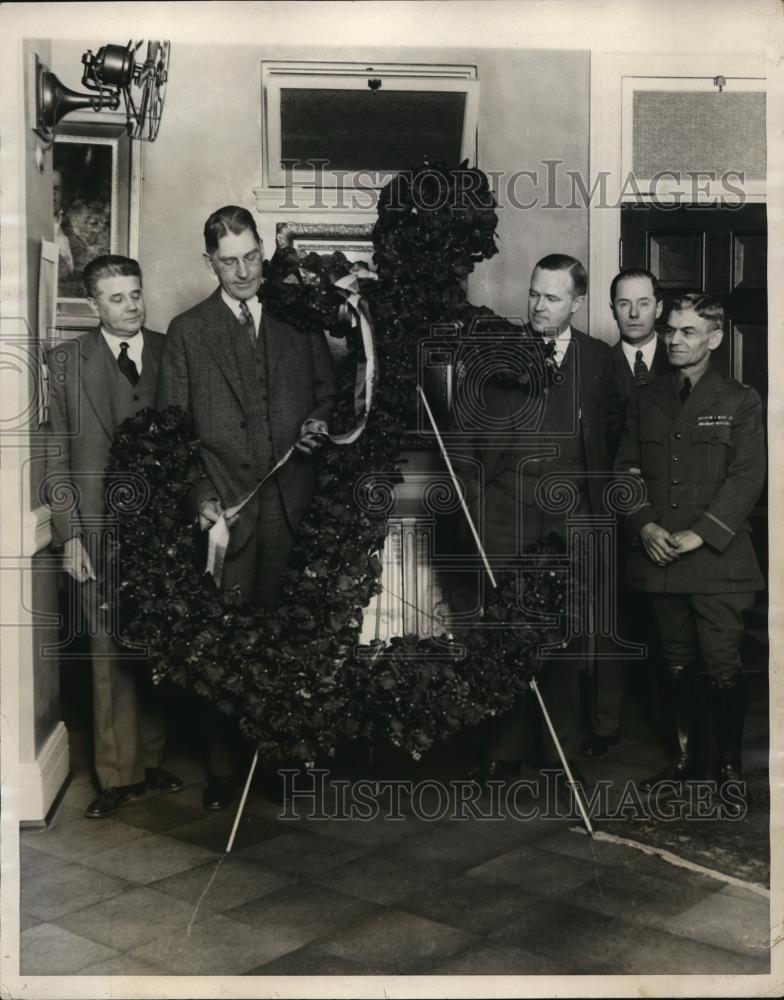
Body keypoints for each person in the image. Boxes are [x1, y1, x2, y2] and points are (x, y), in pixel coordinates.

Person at [156, 205, 337, 811]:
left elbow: (328, 395)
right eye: (228, 261)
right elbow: (171, 434)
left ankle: (291, 762)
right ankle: (225, 770)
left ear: (264, 249)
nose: (242, 271)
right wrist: (201, 501)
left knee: (293, 641)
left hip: (294, 506)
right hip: (227, 515)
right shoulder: (188, 331)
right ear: (209, 262)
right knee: (227, 646)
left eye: (251, 257)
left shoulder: (298, 320)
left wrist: (319, 423)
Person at [459, 254, 623, 779]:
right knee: (505, 627)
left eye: (552, 298)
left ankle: (558, 753)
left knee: (565, 635)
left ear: (578, 302)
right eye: (534, 294)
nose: (538, 306)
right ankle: (503, 750)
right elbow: (468, 428)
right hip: (506, 508)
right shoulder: (499, 354)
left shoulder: (599, 361)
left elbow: (614, 432)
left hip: (572, 513)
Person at [614, 292, 765, 807]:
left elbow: (748, 478)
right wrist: (644, 526)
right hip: (659, 559)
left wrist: (702, 533)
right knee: (675, 663)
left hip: (718, 561)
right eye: (672, 330)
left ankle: (725, 770)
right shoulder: (645, 397)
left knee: (721, 664)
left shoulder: (739, 400)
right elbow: (625, 472)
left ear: (714, 339)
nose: (675, 340)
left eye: (688, 332)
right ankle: (686, 761)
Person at [45, 255, 183, 818]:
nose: (131, 306)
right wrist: (69, 535)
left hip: (161, 531)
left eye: (136, 294)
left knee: (157, 644)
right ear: (93, 305)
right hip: (97, 528)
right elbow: (52, 457)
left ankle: (151, 759)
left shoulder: (172, 352)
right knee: (106, 648)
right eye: (117, 298)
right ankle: (115, 775)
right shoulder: (64, 363)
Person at [581, 267, 671, 758]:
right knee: (609, 620)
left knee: (668, 620)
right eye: (622, 303)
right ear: (611, 308)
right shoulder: (597, 366)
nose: (633, 313)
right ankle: (605, 723)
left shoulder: (680, 362)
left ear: (658, 306)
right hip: (609, 516)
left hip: (667, 516)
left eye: (643, 303)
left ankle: (671, 724)